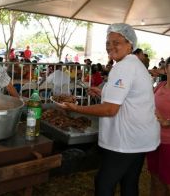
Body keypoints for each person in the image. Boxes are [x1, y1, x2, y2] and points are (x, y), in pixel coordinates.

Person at [58, 23, 160, 196]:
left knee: (104, 183)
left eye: (116, 42)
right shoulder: (135, 65)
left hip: (126, 140)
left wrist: (76, 108)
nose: (110, 47)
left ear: (130, 44)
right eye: (107, 43)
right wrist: (103, 92)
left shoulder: (123, 67)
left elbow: (110, 110)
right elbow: (128, 97)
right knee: (129, 182)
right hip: (141, 138)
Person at [147, 55, 170, 196]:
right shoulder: (160, 86)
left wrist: (168, 122)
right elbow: (148, 103)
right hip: (154, 140)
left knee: (169, 182)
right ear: (166, 69)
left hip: (169, 143)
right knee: (155, 178)